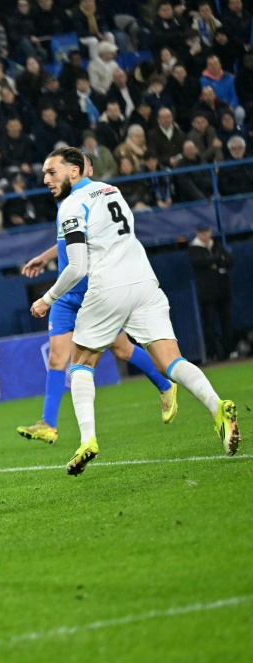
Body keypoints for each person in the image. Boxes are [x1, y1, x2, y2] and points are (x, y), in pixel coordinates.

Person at [29, 147, 239, 475]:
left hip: (107, 288)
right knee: (172, 360)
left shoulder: (71, 205)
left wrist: (48, 298)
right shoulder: (112, 191)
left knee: (80, 363)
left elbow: (77, 266)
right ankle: (217, 406)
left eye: (52, 172)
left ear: (74, 172)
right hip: (144, 283)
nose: (45, 180)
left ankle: (88, 440)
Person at [17, 152, 178, 446]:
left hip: (93, 289)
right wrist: (45, 256)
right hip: (67, 294)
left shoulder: (92, 199)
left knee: (123, 349)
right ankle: (48, 424)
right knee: (57, 357)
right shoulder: (67, 204)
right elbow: (67, 240)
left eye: (53, 173)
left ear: (81, 170)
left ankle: (165, 385)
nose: (48, 180)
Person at [188, 226, 234, 362]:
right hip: (207, 294)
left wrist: (214, 262)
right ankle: (213, 354)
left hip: (223, 291)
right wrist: (217, 259)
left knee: (227, 322)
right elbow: (199, 262)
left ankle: (229, 351)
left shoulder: (217, 245)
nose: (205, 234)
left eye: (207, 231)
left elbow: (230, 260)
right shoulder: (194, 248)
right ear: (198, 233)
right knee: (210, 324)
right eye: (202, 232)